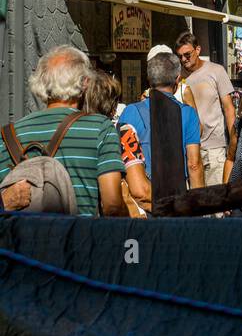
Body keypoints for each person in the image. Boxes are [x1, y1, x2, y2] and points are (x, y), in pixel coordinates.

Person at [0, 45, 126, 217]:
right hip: (80, 239)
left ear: (40, 82)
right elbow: (113, 205)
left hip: (22, 240)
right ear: (85, 83)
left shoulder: (8, 135)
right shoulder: (101, 129)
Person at [120, 53, 204, 196]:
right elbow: (194, 164)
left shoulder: (130, 112)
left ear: (149, 80)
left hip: (144, 195)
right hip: (177, 194)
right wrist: (199, 204)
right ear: (177, 80)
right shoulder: (188, 113)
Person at [84, 69, 151, 216]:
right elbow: (140, 191)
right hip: (113, 222)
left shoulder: (71, 129)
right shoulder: (122, 132)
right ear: (113, 105)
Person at [175, 32, 236, 186]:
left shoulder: (216, 71)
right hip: (189, 149)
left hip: (215, 149)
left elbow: (229, 108)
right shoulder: (178, 78)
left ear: (198, 50)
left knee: (218, 203)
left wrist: (234, 142)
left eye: (187, 55)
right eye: (180, 56)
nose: (184, 60)